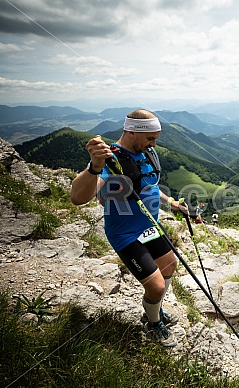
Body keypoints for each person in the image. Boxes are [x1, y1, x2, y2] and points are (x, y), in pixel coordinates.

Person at [70, 109, 185, 347]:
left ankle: (154, 310)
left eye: (156, 138)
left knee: (170, 264)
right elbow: (78, 198)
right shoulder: (109, 159)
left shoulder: (149, 153)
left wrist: (170, 202)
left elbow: (150, 185)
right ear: (132, 132)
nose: (154, 144)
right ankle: (153, 325)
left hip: (150, 226)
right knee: (156, 285)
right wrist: (93, 167)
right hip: (125, 234)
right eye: (150, 138)